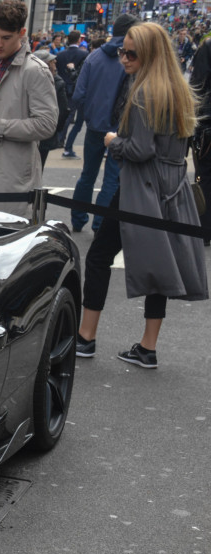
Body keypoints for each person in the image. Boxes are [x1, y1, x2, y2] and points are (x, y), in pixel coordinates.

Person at [76, 22, 207, 369]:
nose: (123, 58)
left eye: (131, 53)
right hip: (172, 186)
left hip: (142, 187)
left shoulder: (146, 92)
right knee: (158, 262)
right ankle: (148, 347)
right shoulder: (176, 87)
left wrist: (111, 141)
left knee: (99, 255)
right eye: (122, 50)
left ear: (149, 54)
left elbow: (139, 149)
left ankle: (86, 337)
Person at [0, 0, 58, 219]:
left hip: (11, 182)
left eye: (6, 38)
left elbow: (47, 125)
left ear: (22, 33)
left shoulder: (36, 70)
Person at [68, 14, 137, 232]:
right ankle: (100, 224)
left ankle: (78, 219)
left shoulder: (94, 56)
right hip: (120, 129)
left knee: (87, 175)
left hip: (95, 126)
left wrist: (89, 113)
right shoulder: (132, 59)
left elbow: (78, 95)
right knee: (112, 179)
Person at [188, 29, 211, 241]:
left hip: (207, 125)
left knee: (205, 177)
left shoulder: (208, 47)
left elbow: (198, 86)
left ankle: (204, 229)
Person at [33, 49, 70, 168]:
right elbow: (62, 110)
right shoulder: (57, 82)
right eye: (53, 62)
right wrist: (55, 129)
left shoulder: (31, 79)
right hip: (45, 131)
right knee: (38, 167)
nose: (55, 65)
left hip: (34, 131)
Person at [58, 30, 88, 157]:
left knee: (61, 113)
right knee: (71, 116)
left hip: (62, 86)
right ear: (78, 40)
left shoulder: (60, 54)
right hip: (75, 88)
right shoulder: (84, 54)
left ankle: (60, 137)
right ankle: (63, 140)